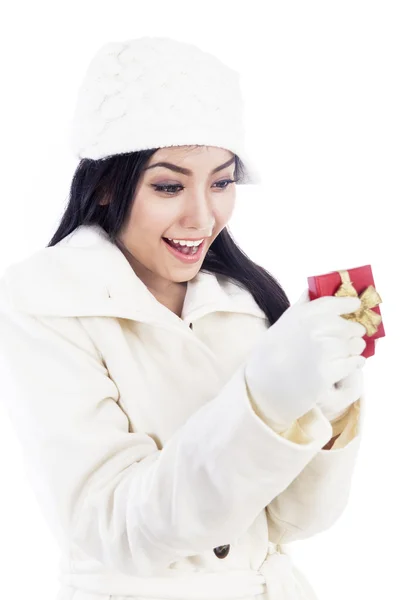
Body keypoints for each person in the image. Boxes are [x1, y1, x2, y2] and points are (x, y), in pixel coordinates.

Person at [0, 36, 367, 600]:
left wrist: (326, 404)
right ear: (104, 187)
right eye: (169, 185)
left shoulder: (243, 301)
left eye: (221, 182)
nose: (203, 215)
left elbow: (294, 522)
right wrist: (263, 401)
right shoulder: (43, 302)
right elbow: (118, 530)